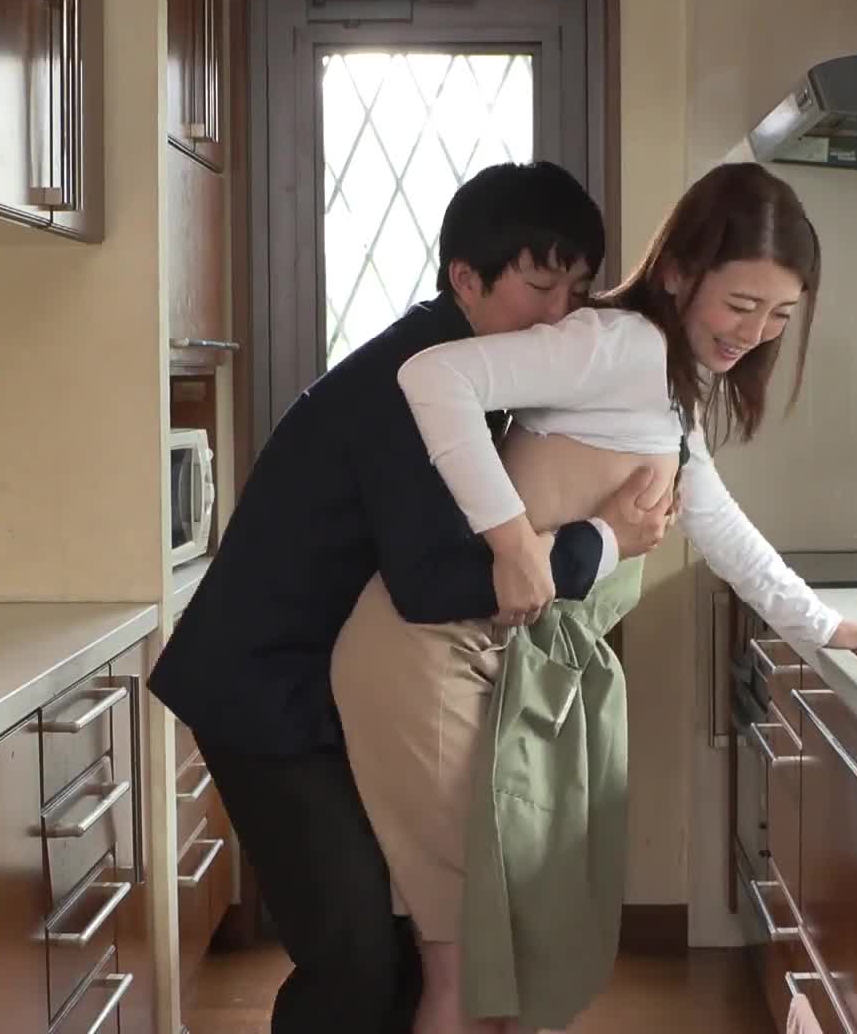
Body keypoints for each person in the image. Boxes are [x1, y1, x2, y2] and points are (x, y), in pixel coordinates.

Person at [330, 162, 857, 1034]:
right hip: (425, 659)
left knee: (499, 952)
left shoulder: (664, 382)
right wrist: (513, 542)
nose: (756, 333)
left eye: (781, 315)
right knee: (469, 960)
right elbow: (434, 379)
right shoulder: (619, 346)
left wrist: (823, 625)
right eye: (741, 305)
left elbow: (716, 521)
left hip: (485, 661)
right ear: (678, 273)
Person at [147, 161, 679, 1034]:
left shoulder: (468, 370)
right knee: (353, 957)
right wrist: (603, 541)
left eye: (578, 291)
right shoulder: (410, 384)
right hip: (263, 698)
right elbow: (433, 587)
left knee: (397, 945)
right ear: (466, 278)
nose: (561, 315)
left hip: (325, 684)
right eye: (541, 287)